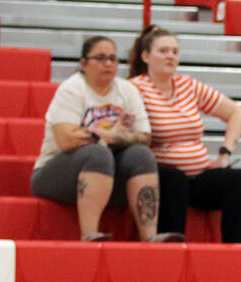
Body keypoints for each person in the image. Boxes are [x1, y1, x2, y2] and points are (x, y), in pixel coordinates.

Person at [31, 35, 179, 242]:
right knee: (97, 153)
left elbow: (144, 137)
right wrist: (111, 137)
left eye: (112, 58)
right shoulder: (72, 89)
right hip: (57, 175)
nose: (108, 64)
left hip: (107, 179)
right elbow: (66, 140)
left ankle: (149, 237)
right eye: (100, 58)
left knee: (141, 154)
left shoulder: (127, 90)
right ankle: (89, 234)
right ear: (84, 64)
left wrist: (104, 135)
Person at [128, 25, 241, 242]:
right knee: (174, 180)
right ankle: (172, 252)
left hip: (198, 175)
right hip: (162, 176)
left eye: (175, 52)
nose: (170, 56)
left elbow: (237, 113)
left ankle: (237, 251)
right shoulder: (134, 89)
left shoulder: (188, 85)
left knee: (235, 181)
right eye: (163, 51)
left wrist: (224, 154)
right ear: (146, 56)